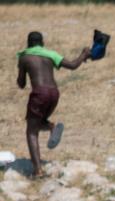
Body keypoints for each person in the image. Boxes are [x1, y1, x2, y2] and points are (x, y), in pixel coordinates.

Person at [16, 31, 89, 178]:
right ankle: (51, 126)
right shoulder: (50, 54)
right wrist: (84, 54)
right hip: (54, 93)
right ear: (42, 43)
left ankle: (38, 171)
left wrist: (22, 77)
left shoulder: (24, 57)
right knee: (38, 122)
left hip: (39, 94)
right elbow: (73, 65)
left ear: (28, 43)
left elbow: (22, 83)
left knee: (31, 130)